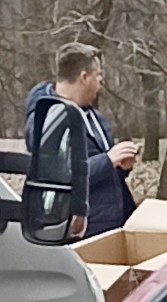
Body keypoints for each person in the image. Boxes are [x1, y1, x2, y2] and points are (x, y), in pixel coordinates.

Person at [25, 42, 138, 237]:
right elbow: (57, 176)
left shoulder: (93, 116)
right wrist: (108, 160)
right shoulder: (47, 121)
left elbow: (101, 172)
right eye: (98, 75)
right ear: (84, 77)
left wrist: (120, 166)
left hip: (111, 225)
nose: (101, 82)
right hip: (80, 231)